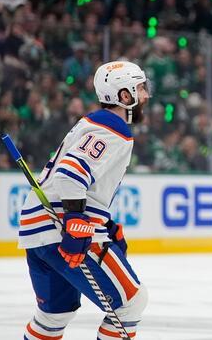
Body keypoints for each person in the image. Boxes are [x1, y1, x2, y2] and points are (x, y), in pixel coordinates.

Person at [17, 61, 150, 340]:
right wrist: (76, 219)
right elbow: (70, 173)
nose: (146, 95)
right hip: (59, 227)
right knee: (130, 302)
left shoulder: (94, 124)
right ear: (124, 96)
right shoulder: (112, 127)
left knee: (54, 315)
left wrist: (104, 222)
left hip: (38, 229)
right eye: (140, 88)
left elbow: (79, 180)